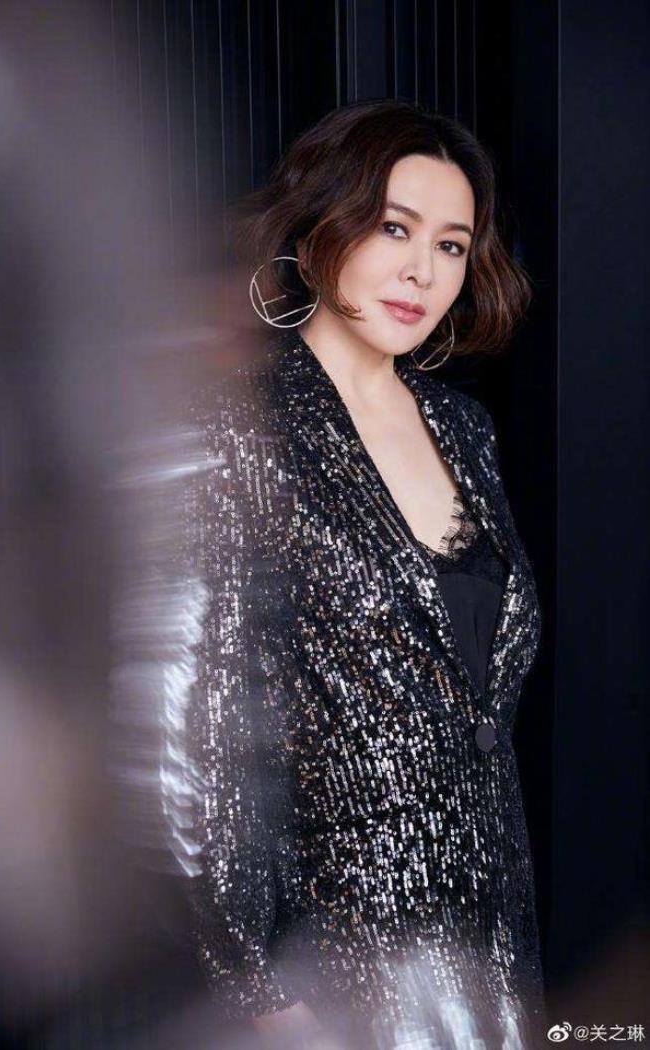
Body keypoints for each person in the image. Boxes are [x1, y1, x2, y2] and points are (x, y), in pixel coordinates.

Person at [168, 100, 546, 1049]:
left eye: (452, 245)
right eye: (393, 228)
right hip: (336, 964)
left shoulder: (465, 428)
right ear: (317, 229)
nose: (425, 271)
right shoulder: (235, 428)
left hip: (492, 945)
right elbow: (197, 734)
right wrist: (262, 992)